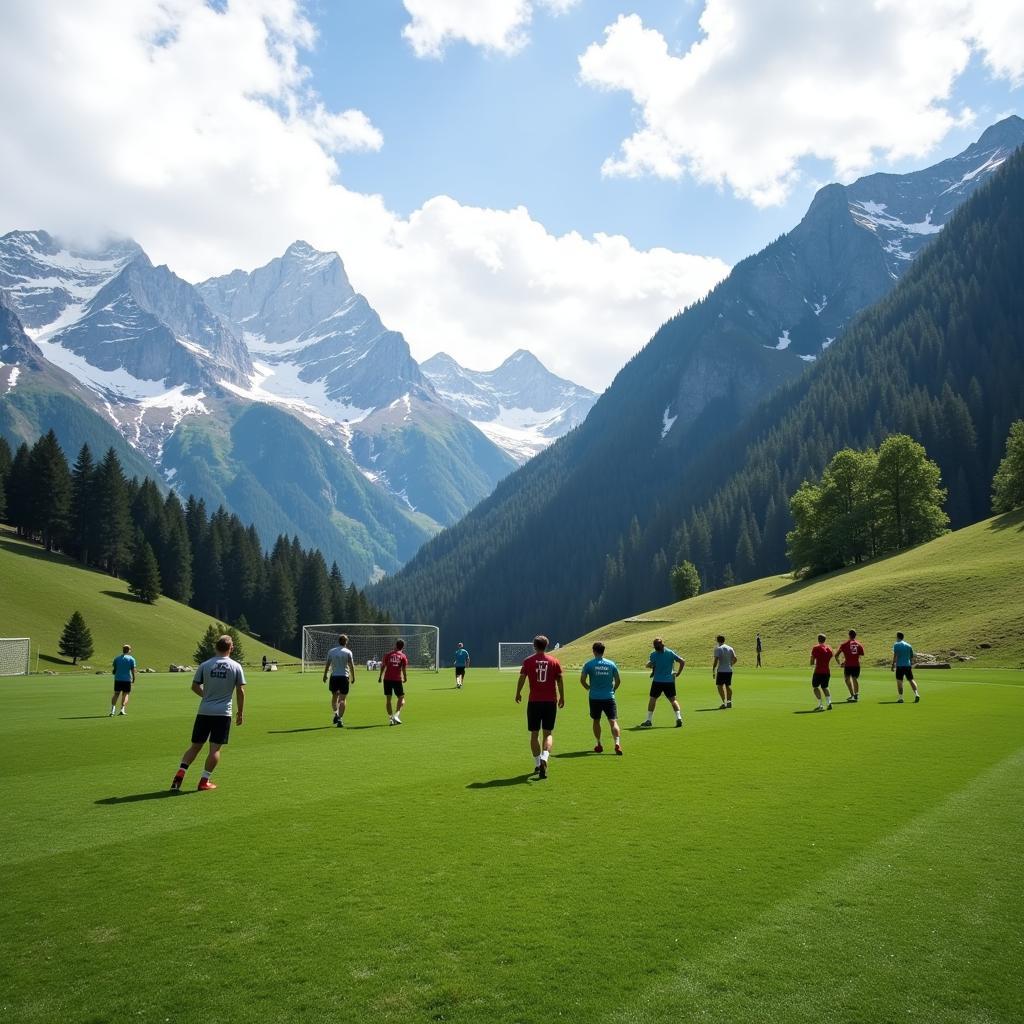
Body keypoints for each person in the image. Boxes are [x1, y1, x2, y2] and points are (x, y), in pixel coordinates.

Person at [170, 634, 245, 792]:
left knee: (195, 746)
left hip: (204, 711)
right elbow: (240, 691)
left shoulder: (205, 664)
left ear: (215, 647)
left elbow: (195, 686)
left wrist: (207, 696)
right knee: (215, 749)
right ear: (231, 648)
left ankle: (180, 774)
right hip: (223, 713)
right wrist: (240, 712)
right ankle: (204, 780)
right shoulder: (236, 666)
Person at [515, 635, 564, 778]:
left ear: (534, 646)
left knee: (534, 734)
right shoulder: (554, 661)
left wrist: (518, 693)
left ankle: (537, 764)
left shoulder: (528, 661)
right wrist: (562, 696)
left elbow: (522, 678)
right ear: (547, 646)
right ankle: (545, 758)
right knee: (548, 733)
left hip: (534, 702)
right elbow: (560, 681)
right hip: (550, 701)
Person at [580, 641, 622, 755]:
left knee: (596, 720)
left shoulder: (589, 664)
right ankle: (617, 744)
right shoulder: (611, 664)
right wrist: (613, 690)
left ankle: (599, 744)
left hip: (594, 697)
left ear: (594, 651)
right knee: (613, 721)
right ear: (603, 651)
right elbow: (618, 681)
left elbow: (582, 680)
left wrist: (589, 688)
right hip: (609, 696)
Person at [640, 637, 684, 728]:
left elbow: (652, 665)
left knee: (653, 699)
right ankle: (679, 718)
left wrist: (651, 669)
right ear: (662, 644)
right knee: (673, 700)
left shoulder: (653, 654)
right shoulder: (670, 653)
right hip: (669, 681)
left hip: (657, 681)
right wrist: (678, 673)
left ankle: (648, 720)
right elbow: (682, 661)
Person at [322, 633, 356, 727]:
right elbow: (351, 665)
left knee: (334, 697)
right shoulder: (348, 652)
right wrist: (353, 676)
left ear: (338, 641)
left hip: (334, 677)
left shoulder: (331, 651)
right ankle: (340, 718)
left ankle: (336, 713)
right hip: (344, 677)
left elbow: (328, 664)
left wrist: (325, 675)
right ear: (346, 642)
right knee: (342, 699)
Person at [378, 639, 409, 725]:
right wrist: (405, 677)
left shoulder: (388, 655)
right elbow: (403, 668)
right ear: (403, 647)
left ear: (395, 645)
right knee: (401, 697)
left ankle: (391, 718)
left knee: (388, 700)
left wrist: (380, 676)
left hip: (387, 679)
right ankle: (397, 714)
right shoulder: (403, 656)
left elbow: (383, 666)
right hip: (397, 679)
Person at [890, 632, 921, 703]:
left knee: (899, 681)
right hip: (907, 665)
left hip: (900, 666)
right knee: (911, 680)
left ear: (897, 637)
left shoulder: (896, 644)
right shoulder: (909, 645)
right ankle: (917, 694)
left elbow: (895, 655)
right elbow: (911, 656)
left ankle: (901, 698)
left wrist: (893, 665)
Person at [836, 629, 865, 702]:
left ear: (849, 635)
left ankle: (852, 695)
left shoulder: (844, 644)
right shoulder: (859, 644)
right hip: (856, 665)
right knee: (854, 678)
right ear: (855, 635)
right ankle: (856, 695)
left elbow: (836, 655)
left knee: (847, 679)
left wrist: (840, 663)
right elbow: (861, 654)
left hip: (848, 665)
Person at [110, 644, 136, 716]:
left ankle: (112, 710)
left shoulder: (117, 658)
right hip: (127, 679)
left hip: (118, 679)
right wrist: (134, 678)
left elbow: (114, 670)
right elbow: (133, 670)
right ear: (129, 650)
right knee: (126, 694)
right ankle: (122, 709)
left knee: (116, 694)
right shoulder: (131, 659)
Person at [809, 634, 834, 711]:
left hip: (818, 671)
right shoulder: (829, 648)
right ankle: (829, 702)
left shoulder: (816, 648)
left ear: (818, 639)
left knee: (815, 687)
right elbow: (830, 656)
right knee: (825, 687)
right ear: (824, 639)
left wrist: (812, 664)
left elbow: (812, 659)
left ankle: (820, 705)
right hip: (827, 671)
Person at [712, 635, 737, 708]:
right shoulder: (730, 648)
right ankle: (729, 701)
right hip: (729, 670)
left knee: (720, 686)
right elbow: (735, 659)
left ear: (717, 640)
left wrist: (713, 669)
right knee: (727, 686)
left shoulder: (718, 649)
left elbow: (716, 660)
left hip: (721, 670)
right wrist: (731, 665)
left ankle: (724, 702)